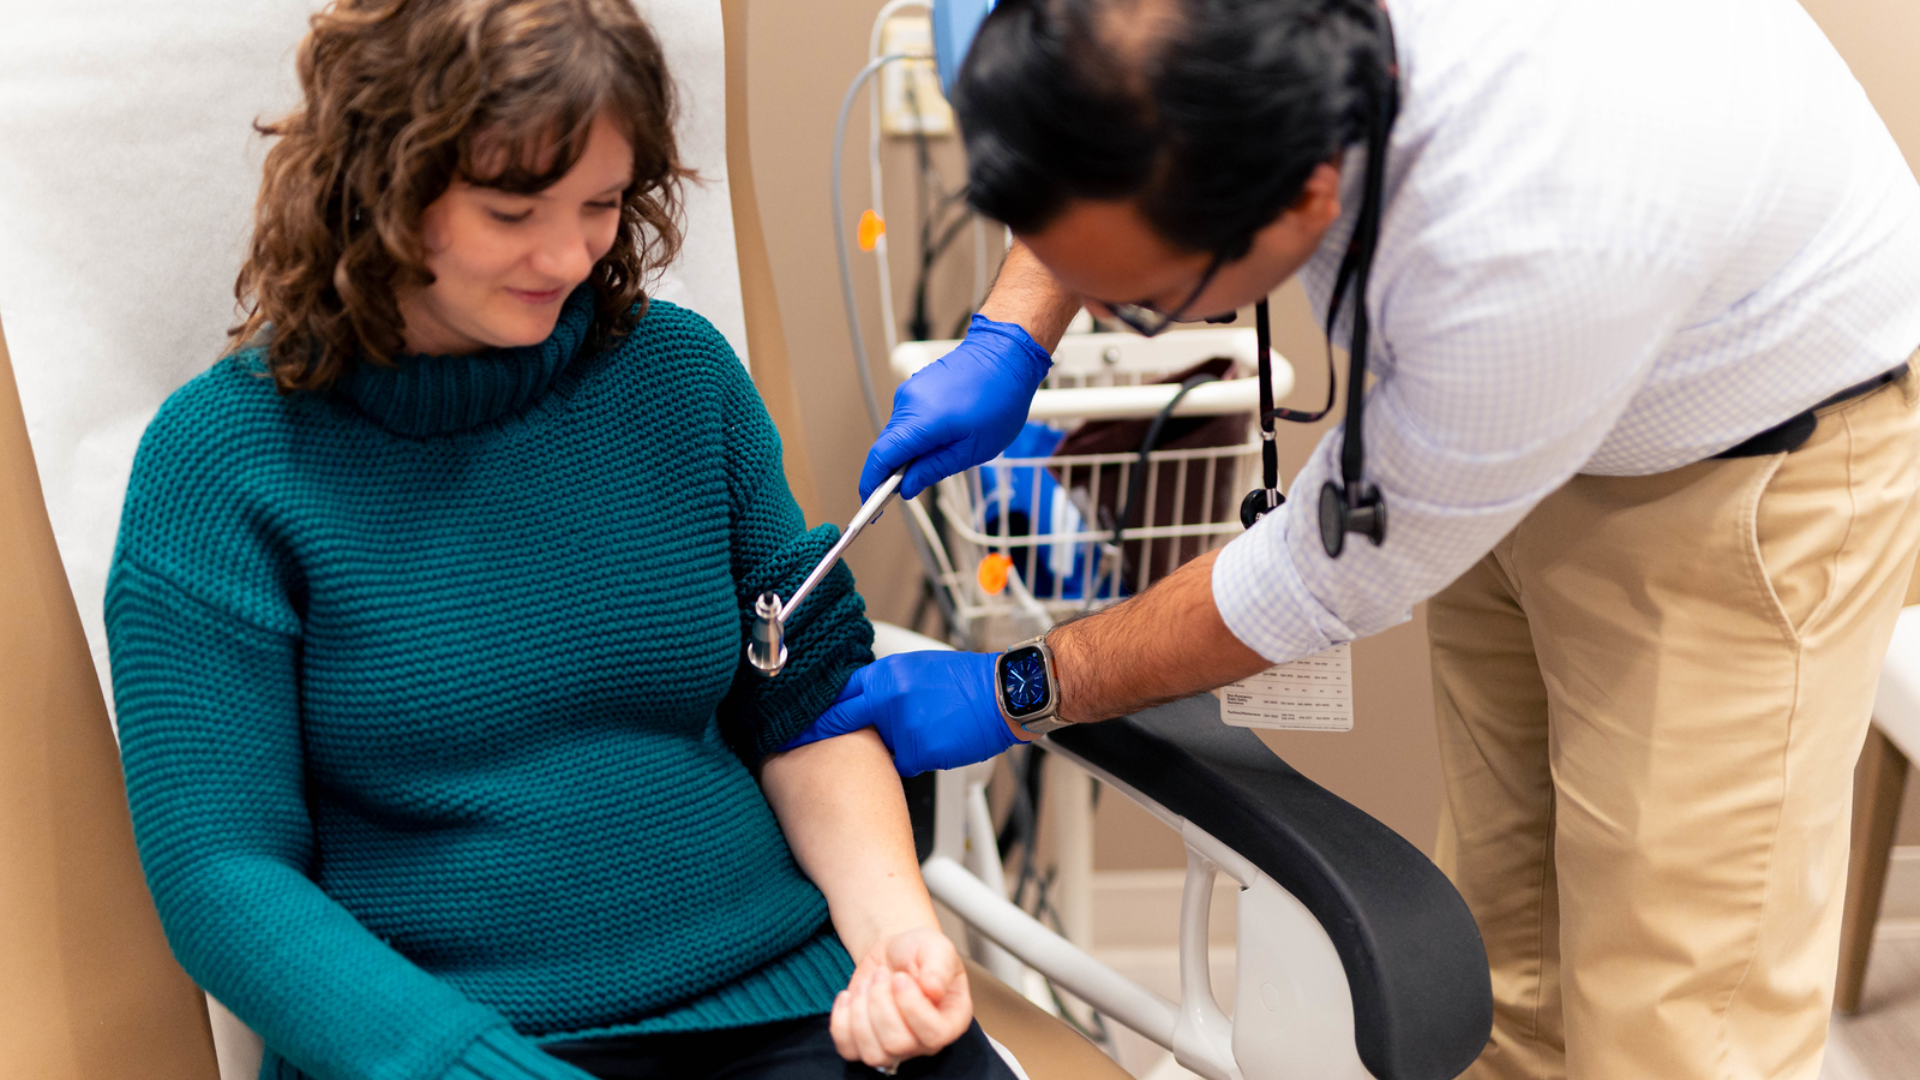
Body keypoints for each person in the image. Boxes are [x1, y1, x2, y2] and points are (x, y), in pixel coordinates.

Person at [791, 0, 1920, 1077]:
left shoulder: (1520, 246)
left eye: (1133, 296)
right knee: (1507, 964)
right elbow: (1099, 89)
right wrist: (1012, 334)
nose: (1095, 301)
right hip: (1535, 400)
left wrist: (1019, 687)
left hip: (1742, 456)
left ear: (1306, 196)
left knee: (1674, 1016)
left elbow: (1309, 583)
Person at [104, 3, 1015, 1078]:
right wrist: (470, 1066)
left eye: (601, 203)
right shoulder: (221, 467)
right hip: (450, 1045)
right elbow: (223, 875)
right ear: (377, 183)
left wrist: (895, 941)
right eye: (511, 210)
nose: (568, 253)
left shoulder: (681, 381)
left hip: (795, 1002)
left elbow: (803, 703)